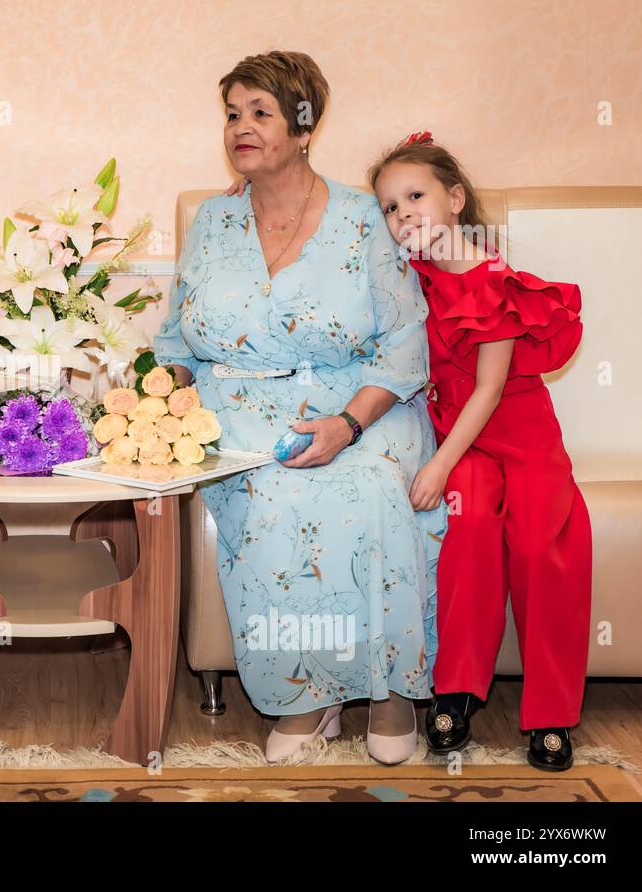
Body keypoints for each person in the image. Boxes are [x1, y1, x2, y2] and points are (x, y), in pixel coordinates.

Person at [154, 51, 447, 765]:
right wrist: (167, 403)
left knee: (372, 485)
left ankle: (390, 688)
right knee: (273, 490)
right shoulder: (213, 221)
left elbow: (407, 346)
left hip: (359, 404)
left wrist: (348, 423)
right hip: (241, 412)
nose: (241, 128)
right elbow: (174, 337)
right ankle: (305, 694)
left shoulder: (360, 216)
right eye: (232, 114)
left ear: (304, 126)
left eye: (260, 112)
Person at [371, 132, 590, 771]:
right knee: (465, 528)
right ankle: (457, 691)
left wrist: (436, 463)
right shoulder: (410, 277)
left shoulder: (490, 279)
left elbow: (491, 388)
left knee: (541, 547)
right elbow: (327, 222)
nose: (402, 213)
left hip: (516, 433)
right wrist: (249, 191)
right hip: (463, 443)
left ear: (456, 198)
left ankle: (550, 713)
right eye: (389, 206)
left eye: (416, 195)